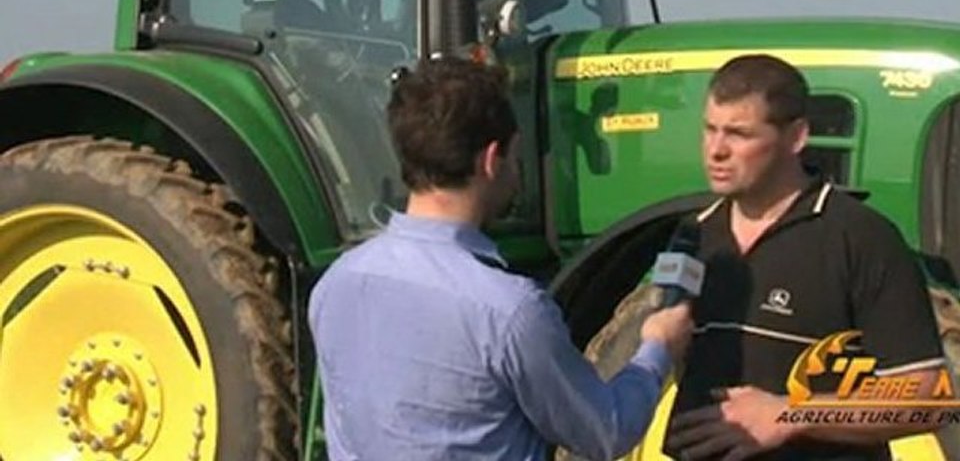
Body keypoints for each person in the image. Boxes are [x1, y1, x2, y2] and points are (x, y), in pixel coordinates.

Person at [308, 56, 693, 461]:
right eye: (516, 156)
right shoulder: (509, 311)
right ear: (491, 159)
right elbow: (606, 431)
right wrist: (658, 347)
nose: (517, 170)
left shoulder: (336, 284)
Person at [664, 53, 948, 461]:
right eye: (710, 129)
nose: (716, 150)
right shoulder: (693, 234)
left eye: (739, 134)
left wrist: (789, 415)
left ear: (796, 137)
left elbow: (929, 397)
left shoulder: (861, 237)